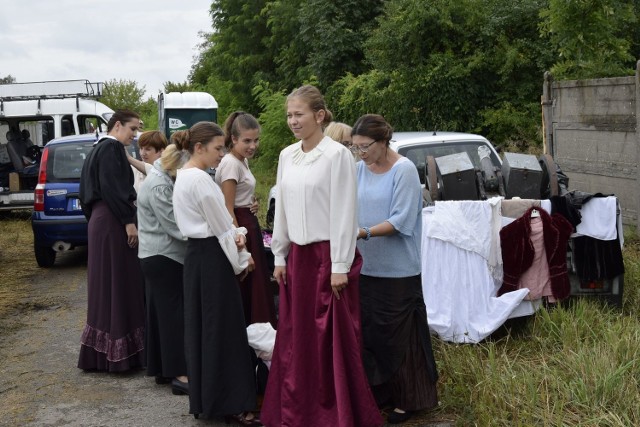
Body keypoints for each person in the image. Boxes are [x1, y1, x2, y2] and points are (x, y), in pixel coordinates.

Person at [261, 85, 383, 427]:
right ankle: (297, 412)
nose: (292, 120)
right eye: (289, 114)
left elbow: (345, 212)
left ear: (319, 115)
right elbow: (281, 210)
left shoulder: (336, 156)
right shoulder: (287, 155)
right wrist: (280, 256)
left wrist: (340, 264)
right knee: (295, 339)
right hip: (297, 260)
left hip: (328, 260)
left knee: (329, 340)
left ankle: (335, 415)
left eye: (298, 114)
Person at [351, 114, 439, 424]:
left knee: (401, 337)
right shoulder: (359, 169)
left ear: (382, 141)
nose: (360, 153)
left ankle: (410, 398)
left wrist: (363, 232)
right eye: (355, 147)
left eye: (365, 147)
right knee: (373, 334)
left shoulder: (403, 171)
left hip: (398, 270)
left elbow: (401, 220)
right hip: (365, 267)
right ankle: (381, 392)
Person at [172, 121, 261, 425]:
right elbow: (223, 226)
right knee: (223, 330)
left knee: (206, 329)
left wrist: (233, 235)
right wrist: (244, 256)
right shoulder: (198, 180)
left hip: (200, 259)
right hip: (211, 258)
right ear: (199, 148)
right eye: (218, 148)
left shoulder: (186, 177)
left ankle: (209, 400)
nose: (222, 155)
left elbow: (222, 224)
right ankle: (232, 403)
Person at [78, 109, 145, 372]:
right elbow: (114, 187)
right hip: (113, 221)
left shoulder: (95, 149)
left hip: (100, 220)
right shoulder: (111, 149)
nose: (134, 135)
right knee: (119, 282)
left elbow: (85, 192)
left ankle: (104, 355)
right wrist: (128, 220)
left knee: (107, 284)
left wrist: (98, 218)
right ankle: (119, 357)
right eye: (132, 129)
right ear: (117, 126)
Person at [136, 133, 189, 394]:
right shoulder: (159, 184)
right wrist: (206, 237)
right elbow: (173, 227)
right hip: (163, 256)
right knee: (173, 319)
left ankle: (161, 369)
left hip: (157, 256)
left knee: (162, 315)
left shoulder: (160, 176)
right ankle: (180, 375)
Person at [215, 112, 277, 328]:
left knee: (256, 286)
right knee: (248, 286)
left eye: (256, 140)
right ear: (233, 139)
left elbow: (239, 198)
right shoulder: (231, 163)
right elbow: (227, 208)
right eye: (247, 141)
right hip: (240, 227)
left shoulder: (242, 160)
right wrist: (241, 249)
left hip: (247, 222)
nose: (253, 146)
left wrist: (252, 204)